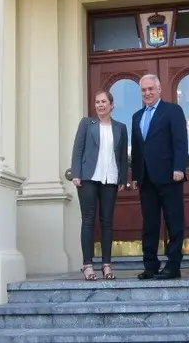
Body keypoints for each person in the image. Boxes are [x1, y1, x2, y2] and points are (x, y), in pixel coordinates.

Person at [130, 74, 188, 280]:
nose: (147, 93)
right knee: (150, 224)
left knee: (174, 222)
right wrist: (136, 174)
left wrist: (179, 167)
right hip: (146, 179)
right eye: (143, 90)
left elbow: (180, 141)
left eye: (150, 89)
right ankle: (151, 265)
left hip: (170, 176)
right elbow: (137, 149)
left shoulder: (173, 111)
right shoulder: (136, 116)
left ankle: (173, 266)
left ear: (159, 89)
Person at [70, 90, 128, 281]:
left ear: (112, 105)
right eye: (97, 102)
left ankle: (106, 264)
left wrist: (122, 179)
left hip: (110, 178)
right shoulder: (87, 124)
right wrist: (76, 174)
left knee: (107, 222)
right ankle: (87, 265)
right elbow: (77, 150)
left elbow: (122, 157)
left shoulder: (121, 127)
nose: (100, 105)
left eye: (104, 101)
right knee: (88, 220)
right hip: (88, 177)